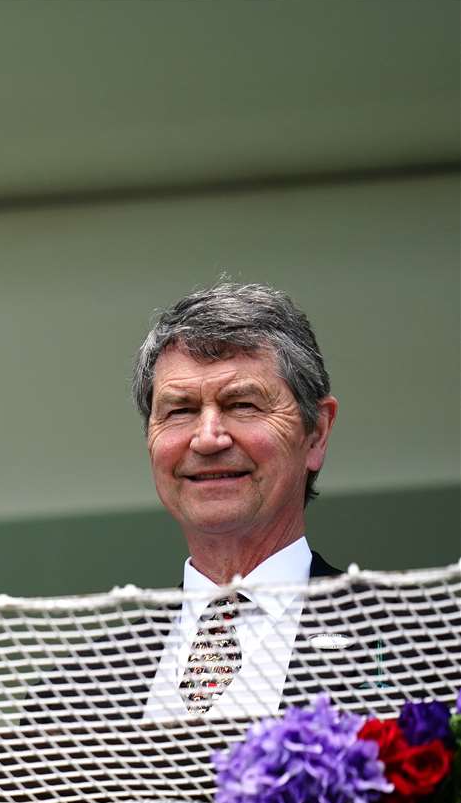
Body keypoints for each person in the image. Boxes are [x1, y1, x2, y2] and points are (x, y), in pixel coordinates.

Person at [123, 282, 451, 719]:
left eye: (243, 404)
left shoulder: (424, 651)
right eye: (180, 411)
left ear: (316, 433)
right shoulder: (80, 685)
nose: (207, 438)